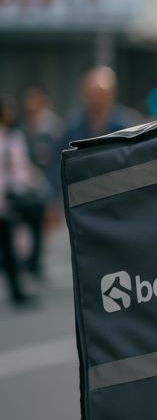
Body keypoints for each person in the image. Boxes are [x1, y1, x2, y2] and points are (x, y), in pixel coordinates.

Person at [18, 87, 63, 280]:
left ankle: (35, 259)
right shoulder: (23, 128)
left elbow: (56, 161)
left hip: (46, 186)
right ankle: (30, 259)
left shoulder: (53, 128)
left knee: (42, 225)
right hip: (27, 185)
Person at [0, 97, 39, 308]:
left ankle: (18, 289)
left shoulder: (12, 137)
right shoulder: (9, 139)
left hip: (9, 197)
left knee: (11, 244)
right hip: (7, 197)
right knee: (10, 244)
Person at [64, 66, 142, 144]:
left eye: (100, 94)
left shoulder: (127, 123)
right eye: (91, 94)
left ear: (112, 93)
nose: (96, 100)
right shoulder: (73, 124)